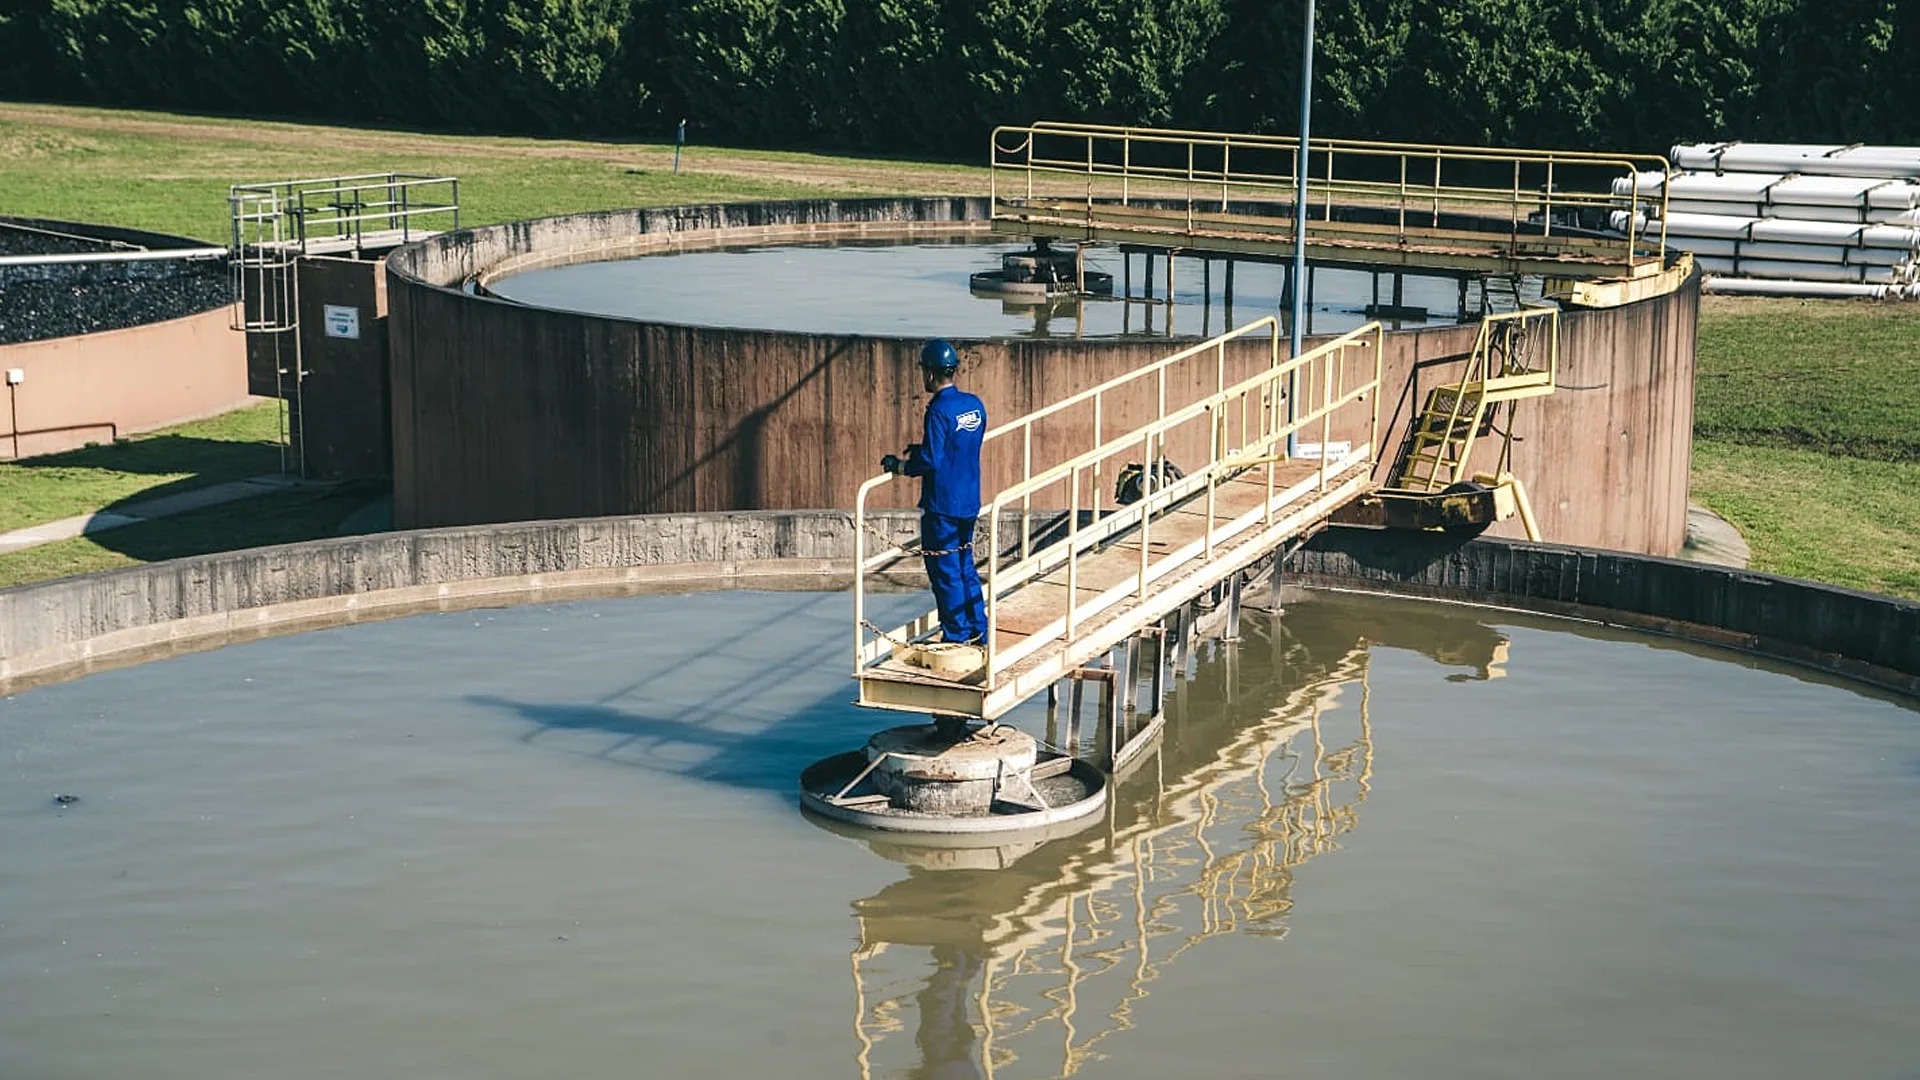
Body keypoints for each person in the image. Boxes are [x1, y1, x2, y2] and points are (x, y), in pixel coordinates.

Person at [882, 339, 987, 646]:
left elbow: (932, 460)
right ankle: (978, 627)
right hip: (969, 500)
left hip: (943, 504)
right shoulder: (974, 405)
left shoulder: (938, 410)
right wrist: (924, 449)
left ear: (929, 373)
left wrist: (901, 466)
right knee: (965, 565)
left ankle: (955, 635)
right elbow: (959, 445)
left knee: (945, 570)